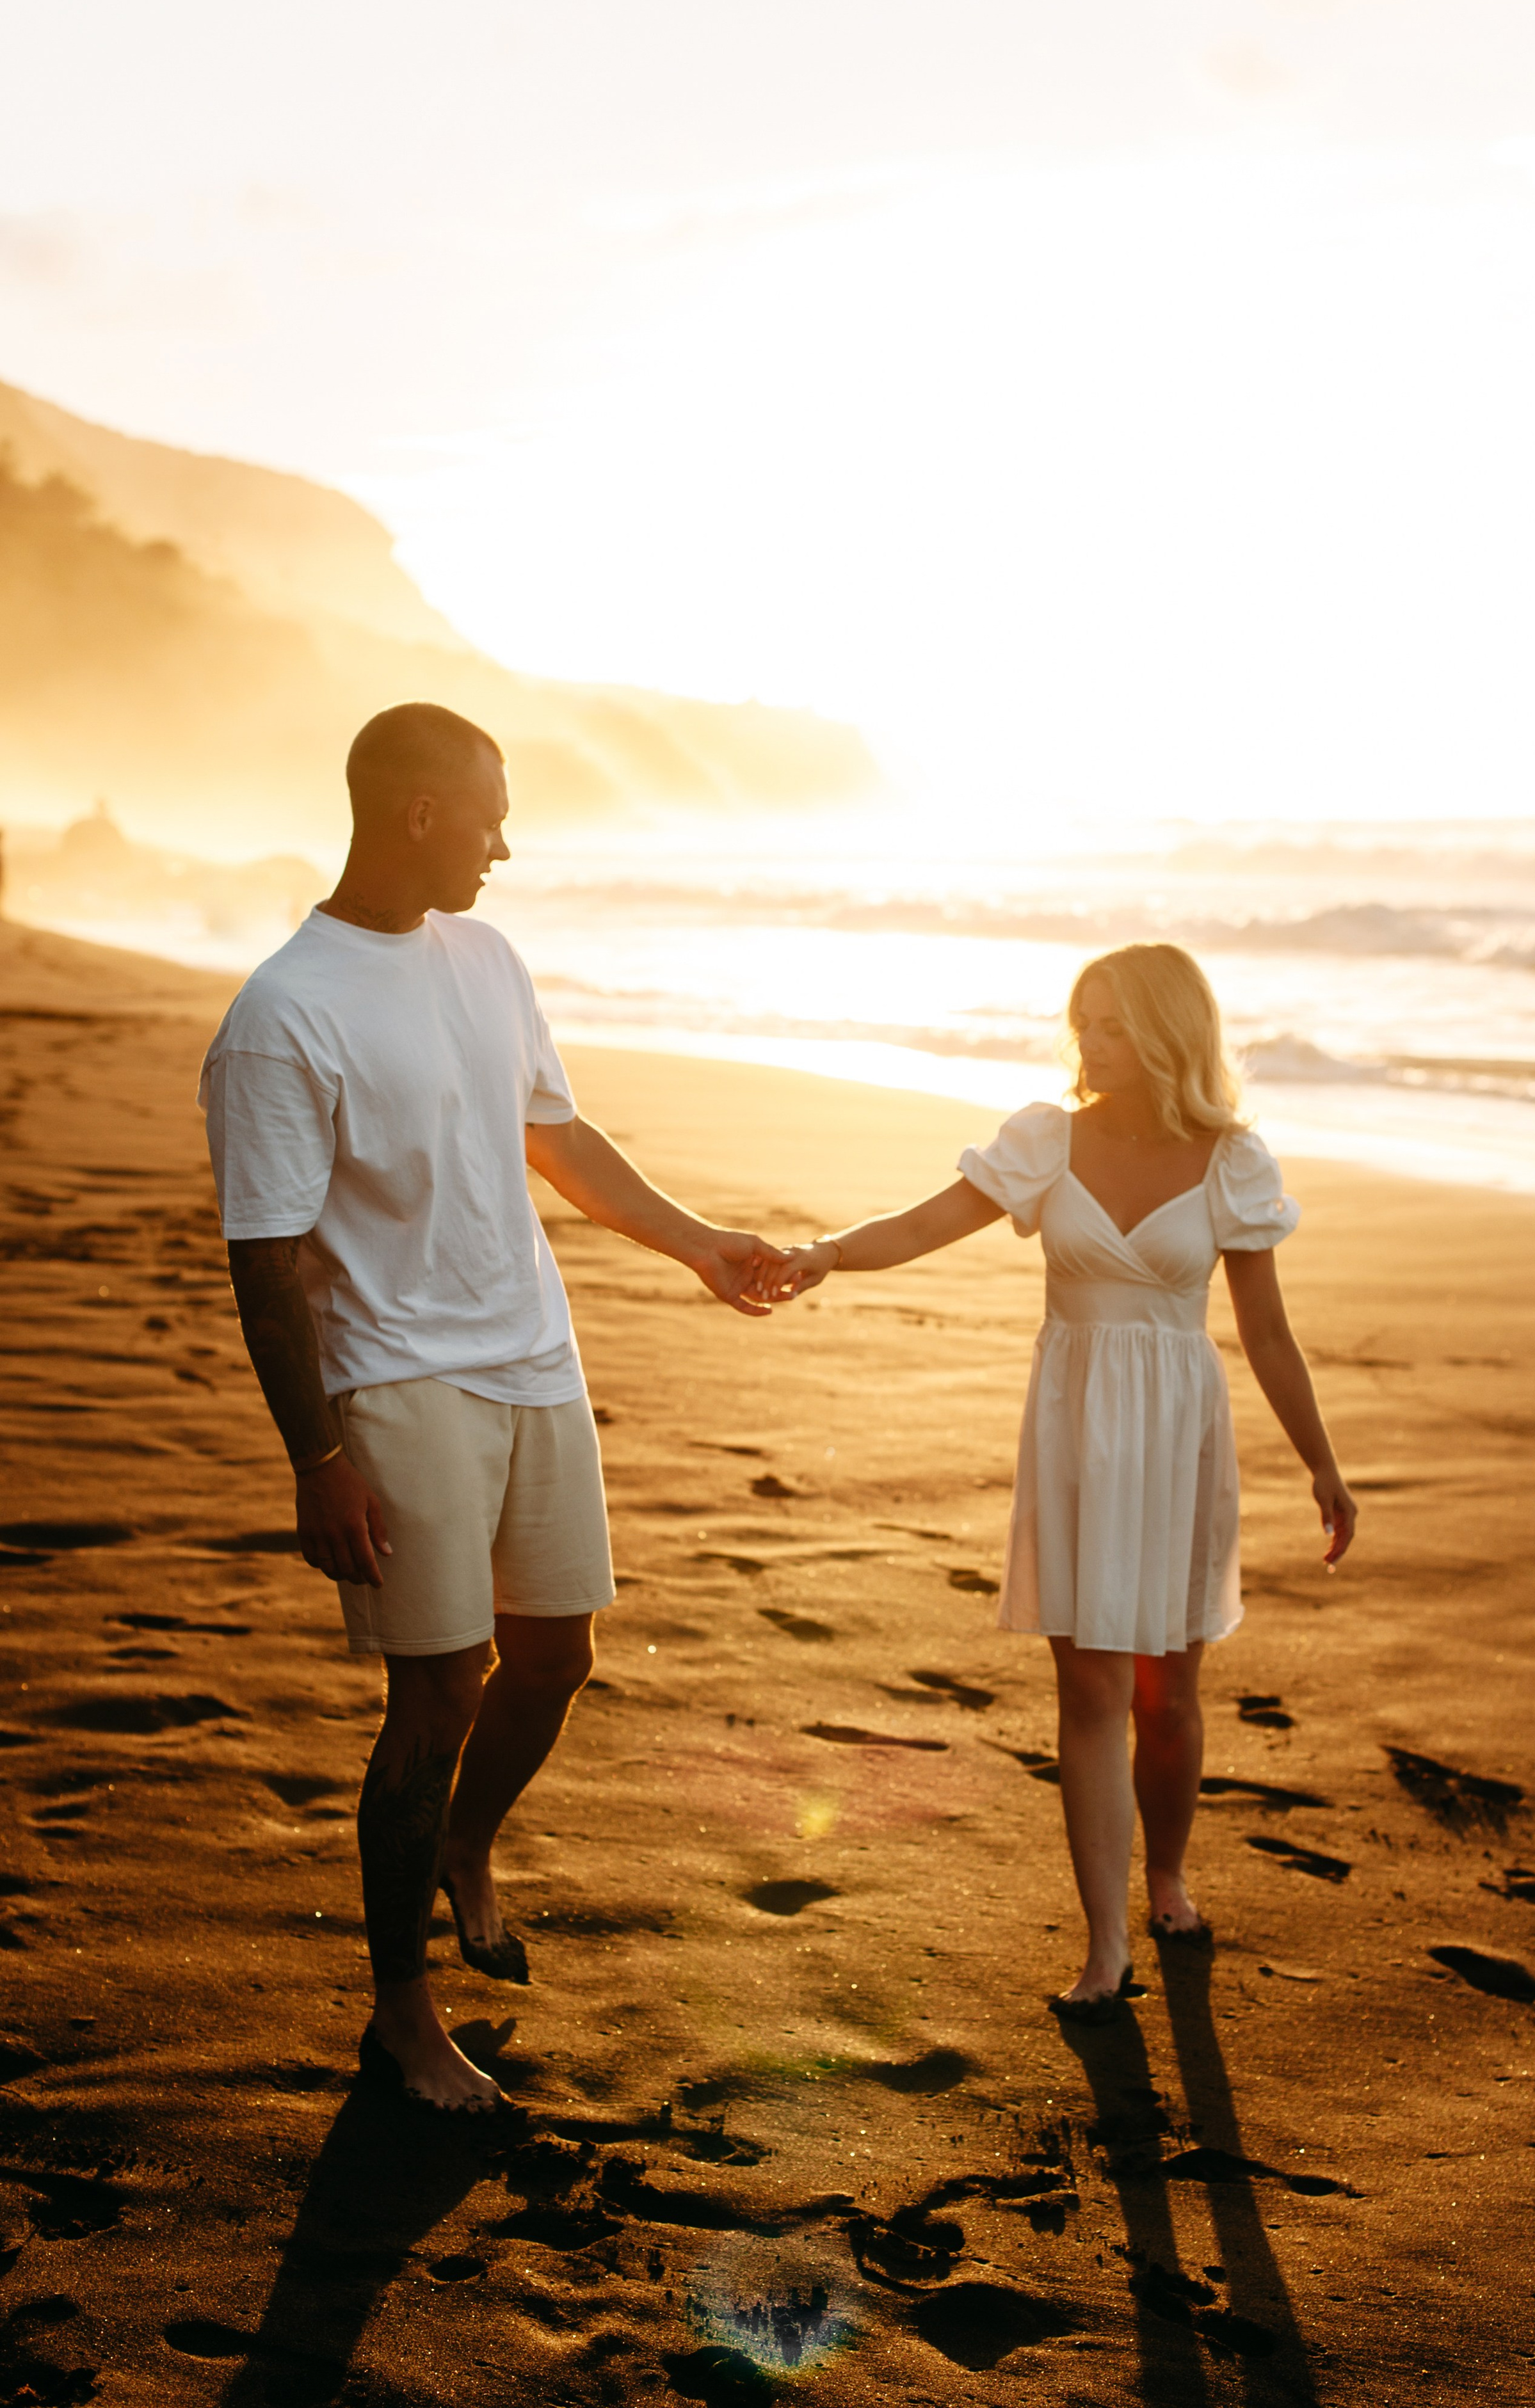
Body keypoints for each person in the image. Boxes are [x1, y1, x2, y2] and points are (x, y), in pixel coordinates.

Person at [200, 703, 787, 2112]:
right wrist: (317, 1455)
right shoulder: (283, 1015)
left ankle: (465, 1848)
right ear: (417, 815)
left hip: (535, 1353)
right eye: (489, 817)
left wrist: (700, 1243)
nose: (505, 846)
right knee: (436, 1692)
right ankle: (402, 2017)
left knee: (555, 1657)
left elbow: (556, 1134)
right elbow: (265, 1259)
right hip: (396, 1380)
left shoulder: (488, 956)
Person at [754, 943, 1356, 2020]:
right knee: (1090, 1688)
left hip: (1179, 1431)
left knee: (1169, 1693)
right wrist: (828, 1251)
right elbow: (927, 1223)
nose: (1092, 1042)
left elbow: (1267, 1331)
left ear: (1169, 1033)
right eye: (1085, 1021)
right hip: (1077, 1427)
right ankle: (1107, 1944)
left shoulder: (1231, 1161)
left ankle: (1165, 1875)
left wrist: (1324, 1465)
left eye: (1116, 1024)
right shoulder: (1047, 1140)